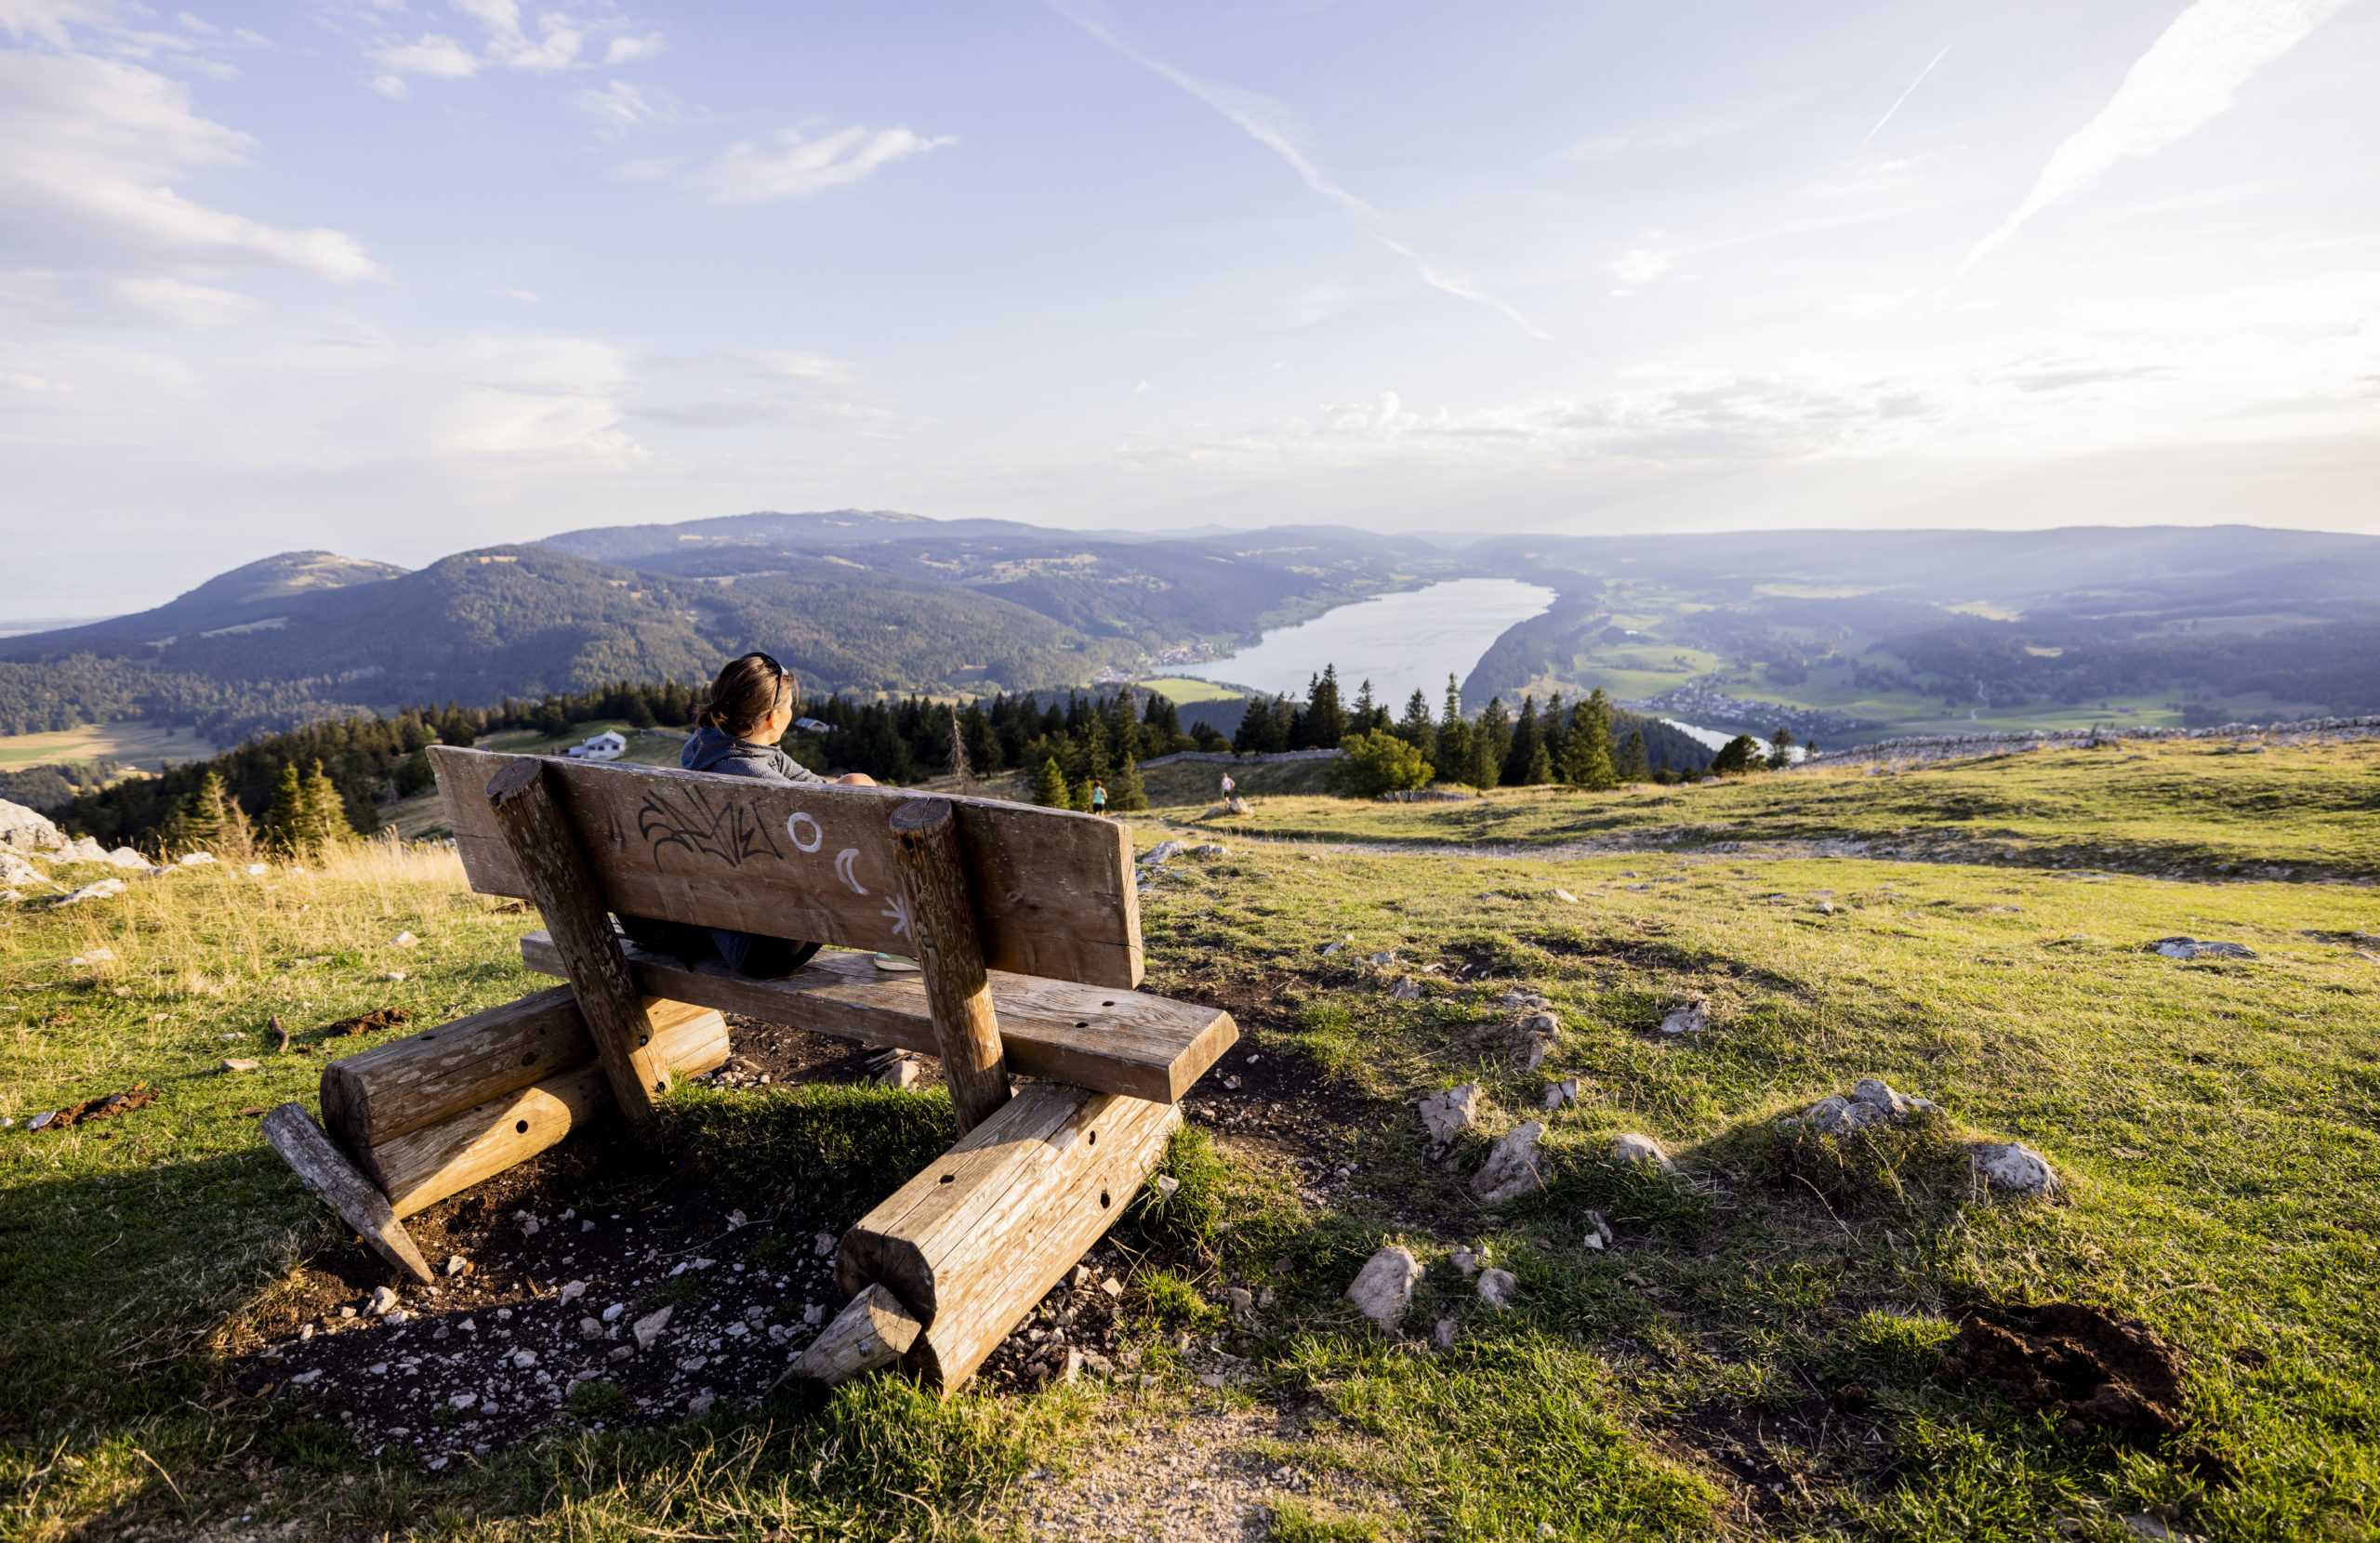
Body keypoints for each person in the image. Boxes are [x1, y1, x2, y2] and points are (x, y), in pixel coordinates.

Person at [619, 652, 877, 978]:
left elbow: (818, 788)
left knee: (855, 785)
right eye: (789, 706)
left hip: (680, 925)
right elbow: (829, 820)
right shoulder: (756, 780)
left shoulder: (708, 745)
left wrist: (851, 784)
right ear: (773, 719)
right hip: (761, 947)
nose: (792, 711)